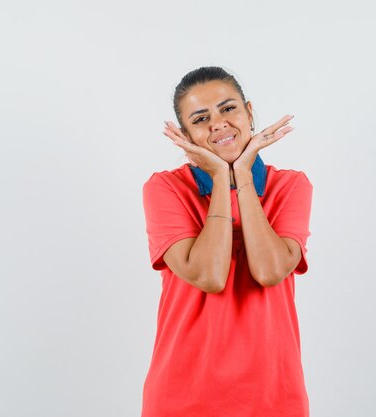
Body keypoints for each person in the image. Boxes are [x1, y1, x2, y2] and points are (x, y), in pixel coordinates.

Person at [141, 66, 314, 417]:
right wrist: (221, 177)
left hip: (274, 398)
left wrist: (244, 177)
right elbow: (210, 276)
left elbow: (269, 271)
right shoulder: (165, 189)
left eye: (228, 108)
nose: (218, 123)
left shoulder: (291, 186)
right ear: (186, 135)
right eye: (201, 118)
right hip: (182, 398)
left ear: (249, 112)